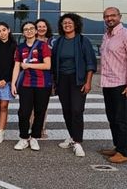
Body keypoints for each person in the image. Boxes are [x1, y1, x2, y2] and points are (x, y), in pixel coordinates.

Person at [99, 7, 127, 164]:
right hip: (108, 83)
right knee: (112, 117)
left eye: (112, 15)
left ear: (119, 17)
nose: (109, 18)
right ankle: (117, 146)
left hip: (121, 84)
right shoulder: (107, 36)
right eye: (106, 16)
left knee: (122, 118)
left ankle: (124, 151)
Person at [52, 13, 97, 157]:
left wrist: (88, 82)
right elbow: (54, 64)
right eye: (64, 23)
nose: (67, 25)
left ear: (76, 24)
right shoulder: (58, 42)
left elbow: (90, 63)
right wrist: (54, 82)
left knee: (77, 110)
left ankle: (78, 142)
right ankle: (72, 136)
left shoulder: (83, 41)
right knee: (66, 110)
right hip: (62, 80)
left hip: (78, 79)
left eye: (69, 23)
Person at [11, 21, 52, 151]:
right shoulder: (20, 47)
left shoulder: (43, 46)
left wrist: (29, 65)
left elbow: (47, 65)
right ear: (23, 32)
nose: (28, 31)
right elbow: (17, 66)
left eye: (31, 29)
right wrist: (13, 83)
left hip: (42, 84)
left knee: (40, 112)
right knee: (24, 112)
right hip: (26, 84)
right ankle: (23, 137)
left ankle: (34, 137)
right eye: (25, 29)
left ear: (35, 31)